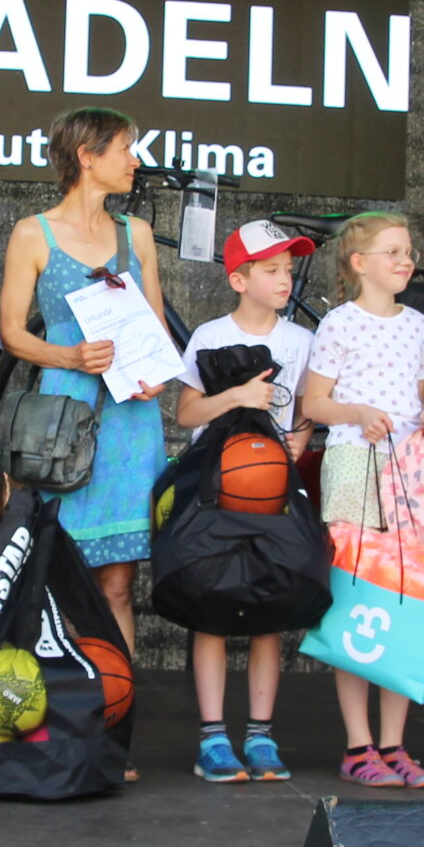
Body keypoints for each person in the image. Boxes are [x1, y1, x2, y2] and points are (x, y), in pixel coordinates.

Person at [0, 109, 171, 673]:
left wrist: (156, 374)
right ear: (87, 157)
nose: (135, 161)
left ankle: (113, 711)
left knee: (118, 586)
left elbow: (156, 328)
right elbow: (11, 332)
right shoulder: (33, 233)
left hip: (129, 424)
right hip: (62, 426)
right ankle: (69, 707)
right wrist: (69, 356)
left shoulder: (135, 233)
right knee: (61, 579)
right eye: (125, 149)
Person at [297, 211, 424, 788]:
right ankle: (358, 745)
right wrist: (357, 413)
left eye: (409, 252)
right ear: (359, 264)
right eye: (393, 252)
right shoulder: (339, 323)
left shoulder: (418, 325)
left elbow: (415, 398)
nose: (406, 261)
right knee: (360, 601)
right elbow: (314, 403)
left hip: (408, 471)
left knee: (405, 599)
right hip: (355, 465)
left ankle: (394, 744)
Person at [172, 218, 316, 783]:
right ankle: (212, 738)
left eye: (288, 270)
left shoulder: (302, 341)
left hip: (274, 494)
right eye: (271, 270)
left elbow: (306, 410)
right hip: (215, 494)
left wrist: (295, 447)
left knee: (267, 612)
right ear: (238, 279)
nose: (284, 280)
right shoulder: (209, 336)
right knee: (210, 610)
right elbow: (186, 413)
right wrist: (235, 396)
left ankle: (260, 735)